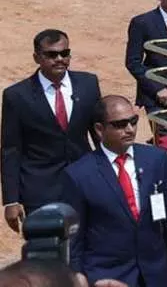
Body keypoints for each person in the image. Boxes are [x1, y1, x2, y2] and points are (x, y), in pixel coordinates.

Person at [62, 96, 167, 287]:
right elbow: (74, 241)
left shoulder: (156, 159)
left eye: (133, 121)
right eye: (120, 124)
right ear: (100, 129)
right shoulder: (78, 175)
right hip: (108, 278)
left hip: (157, 276)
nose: (130, 129)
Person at [2, 30, 101, 232]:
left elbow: (99, 133)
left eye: (64, 54)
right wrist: (11, 200)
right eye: (51, 55)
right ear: (37, 58)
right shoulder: (17, 96)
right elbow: (11, 149)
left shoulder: (88, 84)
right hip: (40, 190)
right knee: (47, 255)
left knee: (87, 249)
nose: (59, 59)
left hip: (84, 182)